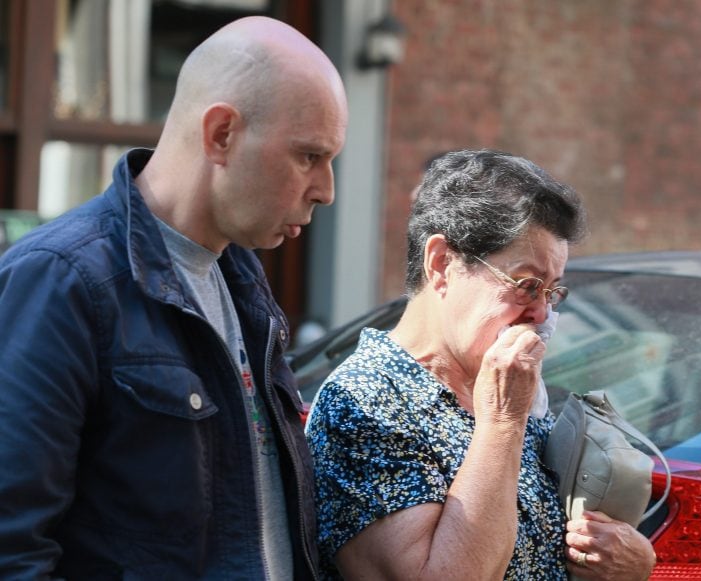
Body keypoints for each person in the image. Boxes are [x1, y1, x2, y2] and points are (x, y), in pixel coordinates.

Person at [0, 16, 347, 579]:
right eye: (309, 156)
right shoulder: (60, 280)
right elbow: (12, 547)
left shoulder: (244, 282)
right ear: (221, 135)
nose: (327, 190)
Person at [306, 150, 657, 580]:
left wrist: (633, 564)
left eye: (553, 291)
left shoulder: (506, 385)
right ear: (442, 264)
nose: (543, 314)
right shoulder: (367, 400)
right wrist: (503, 422)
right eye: (527, 285)